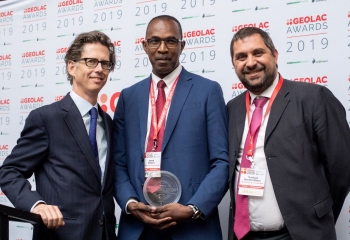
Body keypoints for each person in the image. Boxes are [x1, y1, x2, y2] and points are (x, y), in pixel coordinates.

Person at [227, 26, 350, 240]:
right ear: (234, 64)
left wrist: (318, 214)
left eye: (258, 53)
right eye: (241, 57)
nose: (250, 62)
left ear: (274, 55)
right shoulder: (232, 109)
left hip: (301, 234)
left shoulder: (313, 98)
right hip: (244, 235)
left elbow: (342, 169)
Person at [113, 15, 229, 240]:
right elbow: (118, 163)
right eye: (155, 41)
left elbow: (221, 162)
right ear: (145, 46)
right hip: (138, 228)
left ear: (182, 45)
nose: (163, 48)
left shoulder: (208, 92)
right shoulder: (128, 97)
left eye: (171, 41)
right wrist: (130, 203)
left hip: (192, 227)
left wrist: (193, 208)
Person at [0, 30, 117, 240]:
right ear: (71, 66)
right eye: (91, 61)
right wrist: (36, 204)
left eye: (105, 64)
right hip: (62, 234)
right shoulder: (46, 118)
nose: (99, 69)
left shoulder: (108, 122)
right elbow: (9, 171)